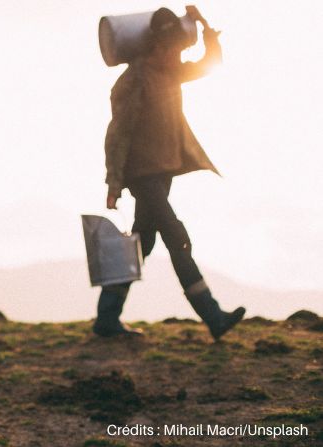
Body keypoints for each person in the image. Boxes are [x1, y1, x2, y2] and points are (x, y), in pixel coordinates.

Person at [95, 7, 245, 340]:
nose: (176, 54)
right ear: (155, 46)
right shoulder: (134, 80)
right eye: (171, 48)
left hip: (163, 172)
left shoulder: (171, 72)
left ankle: (106, 318)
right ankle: (212, 314)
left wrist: (206, 27)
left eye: (179, 48)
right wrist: (114, 183)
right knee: (176, 236)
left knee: (142, 244)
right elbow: (117, 135)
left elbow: (211, 64)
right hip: (142, 176)